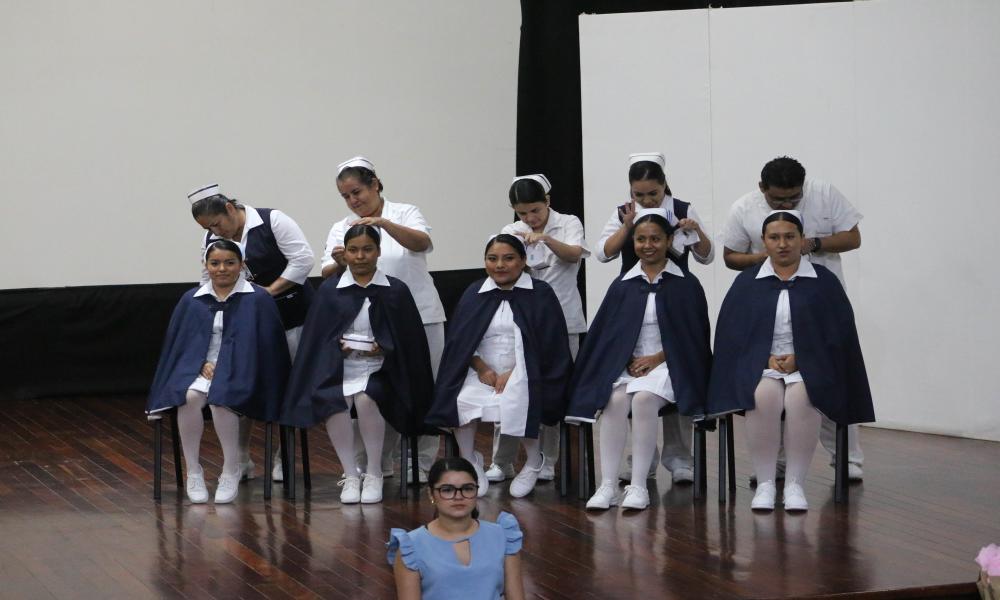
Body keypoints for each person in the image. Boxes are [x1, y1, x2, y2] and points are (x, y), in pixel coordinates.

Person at [708, 210, 874, 511]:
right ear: (764, 242)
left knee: (803, 397)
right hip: (762, 367)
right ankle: (767, 482)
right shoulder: (747, 283)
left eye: (789, 236)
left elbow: (839, 337)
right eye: (774, 237)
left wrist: (803, 359)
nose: (782, 244)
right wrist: (765, 358)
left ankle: (796, 484)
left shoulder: (824, 282)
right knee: (762, 396)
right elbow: (732, 337)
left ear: (802, 240)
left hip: (810, 367)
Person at [719, 156, 866, 480]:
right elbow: (730, 256)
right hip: (771, 304)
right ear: (762, 189)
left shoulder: (825, 193)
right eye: (777, 198)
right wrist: (766, 257)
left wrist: (812, 244)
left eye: (793, 198)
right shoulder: (743, 208)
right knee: (771, 384)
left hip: (819, 301)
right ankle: (776, 463)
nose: (786, 203)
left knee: (829, 375)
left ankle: (848, 458)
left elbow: (853, 237)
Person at [567, 209, 712, 511]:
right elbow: (609, 335)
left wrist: (659, 358)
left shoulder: (686, 284)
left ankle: (639, 486)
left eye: (656, 239)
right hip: (630, 366)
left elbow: (693, 339)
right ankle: (607, 485)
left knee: (643, 398)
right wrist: (626, 357)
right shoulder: (623, 285)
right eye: (641, 239)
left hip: (670, 366)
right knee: (615, 401)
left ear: (670, 240)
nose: (648, 245)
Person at [281, 225, 434, 504]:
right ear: (345, 253)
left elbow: (409, 343)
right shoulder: (330, 291)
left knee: (366, 399)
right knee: (333, 400)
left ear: (378, 252)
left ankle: (374, 471)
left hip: (382, 370)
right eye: (353, 250)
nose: (360, 256)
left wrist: (384, 347)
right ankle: (351, 474)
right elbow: (317, 341)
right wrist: (336, 347)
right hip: (340, 368)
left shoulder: (395, 290)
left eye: (367, 249)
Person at [322, 157, 446, 482]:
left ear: (375, 183)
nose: (353, 201)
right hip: (366, 323)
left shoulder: (404, 212)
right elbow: (326, 272)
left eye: (357, 191)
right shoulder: (342, 227)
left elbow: (422, 242)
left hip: (419, 316)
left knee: (421, 387)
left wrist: (383, 224)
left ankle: (421, 462)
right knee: (371, 390)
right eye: (346, 196)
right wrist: (339, 262)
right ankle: (375, 462)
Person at [593, 153, 713, 483]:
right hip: (634, 296)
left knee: (677, 369)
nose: (646, 200)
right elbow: (604, 253)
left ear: (664, 186)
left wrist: (696, 231)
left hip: (676, 296)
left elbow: (706, 256)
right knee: (631, 383)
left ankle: (678, 455)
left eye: (653, 194)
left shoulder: (684, 209)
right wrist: (629, 225)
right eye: (639, 194)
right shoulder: (623, 212)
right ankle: (643, 457)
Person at [425, 234, 572, 498]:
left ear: (523, 261)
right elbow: (461, 342)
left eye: (508, 258)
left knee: (516, 399)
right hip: (482, 372)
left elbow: (549, 345)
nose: (499, 265)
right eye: (492, 259)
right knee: (461, 400)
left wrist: (514, 373)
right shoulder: (475, 293)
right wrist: (482, 368)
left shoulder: (540, 294)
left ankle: (532, 460)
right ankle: (470, 460)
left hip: (527, 371)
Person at [146, 240, 289, 504]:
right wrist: (197, 363)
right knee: (188, 398)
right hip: (201, 370)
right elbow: (180, 346)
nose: (222, 269)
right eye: (215, 263)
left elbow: (268, 348)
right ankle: (194, 471)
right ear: (206, 265)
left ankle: (231, 468)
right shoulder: (192, 300)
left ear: (241, 265)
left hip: (245, 372)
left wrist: (227, 366)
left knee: (222, 399)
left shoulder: (258, 298)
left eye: (229, 262)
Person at [189, 183, 314, 482]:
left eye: (217, 223)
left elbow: (303, 260)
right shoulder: (214, 238)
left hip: (292, 316)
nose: (216, 233)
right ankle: (241, 457)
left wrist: (268, 293)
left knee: (288, 388)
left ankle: (283, 457)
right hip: (249, 323)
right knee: (242, 387)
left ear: (230, 208)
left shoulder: (272, 221)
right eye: (209, 229)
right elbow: (208, 276)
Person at [486, 174, 589, 483]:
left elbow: (574, 254)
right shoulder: (511, 231)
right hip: (522, 319)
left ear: (547, 201)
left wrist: (545, 239)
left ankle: (547, 461)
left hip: (564, 319)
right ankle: (501, 461)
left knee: (552, 390)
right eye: (521, 213)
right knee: (507, 387)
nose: (529, 219)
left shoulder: (569, 222)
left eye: (535, 210)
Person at [387, 457, 525, 600]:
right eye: (447, 490)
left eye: (467, 488)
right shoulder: (411, 546)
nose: (458, 496)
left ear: (476, 491)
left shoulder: (502, 536)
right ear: (431, 494)